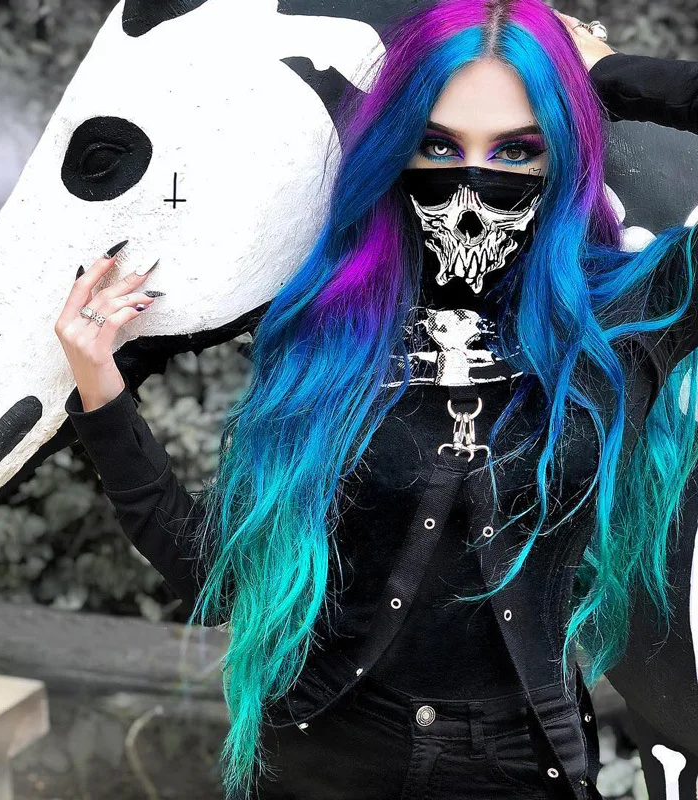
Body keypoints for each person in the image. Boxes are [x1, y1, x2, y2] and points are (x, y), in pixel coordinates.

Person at [54, 1, 698, 798]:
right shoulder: (334, 328)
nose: (471, 182)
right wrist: (101, 390)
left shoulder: (623, 316)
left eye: (516, 148)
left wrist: (607, 77)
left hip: (520, 768)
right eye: (438, 144)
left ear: (561, 153)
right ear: (397, 150)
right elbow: (220, 575)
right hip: (317, 758)